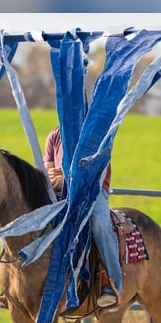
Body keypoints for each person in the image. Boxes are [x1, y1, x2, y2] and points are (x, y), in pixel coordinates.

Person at [43, 127, 121, 308]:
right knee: (27, 217)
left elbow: (96, 171)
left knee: (100, 223)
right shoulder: (54, 135)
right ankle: (16, 283)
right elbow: (49, 171)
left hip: (93, 190)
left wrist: (68, 177)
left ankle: (110, 281)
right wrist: (63, 177)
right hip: (58, 192)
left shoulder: (97, 131)